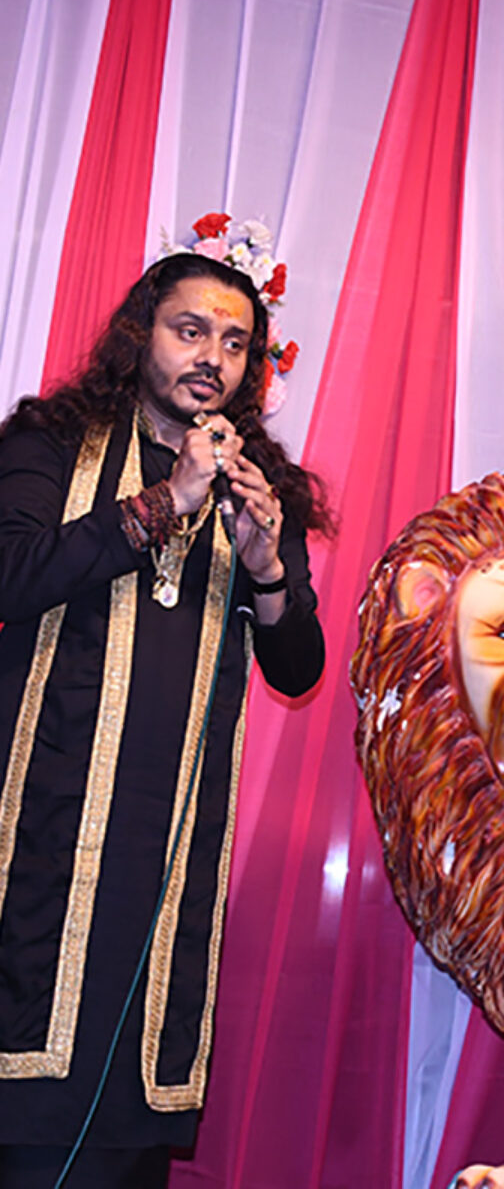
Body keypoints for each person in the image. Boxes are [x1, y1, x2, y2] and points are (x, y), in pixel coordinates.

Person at [0, 252, 327, 1187]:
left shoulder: (257, 486)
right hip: (38, 831)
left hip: (166, 863)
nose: (212, 358)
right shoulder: (49, 443)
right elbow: (13, 577)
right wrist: (166, 502)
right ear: (141, 333)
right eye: (191, 331)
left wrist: (267, 566)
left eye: (235, 343)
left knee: (129, 1123)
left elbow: (297, 666)